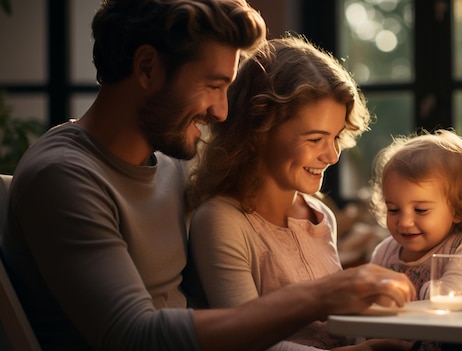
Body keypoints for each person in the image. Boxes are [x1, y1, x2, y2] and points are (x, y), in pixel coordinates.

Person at [0, 1, 416, 350]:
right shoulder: (65, 176)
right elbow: (131, 336)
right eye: (213, 85)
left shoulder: (173, 165)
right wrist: (319, 297)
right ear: (147, 67)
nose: (221, 110)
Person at [183, 35, 413, 351]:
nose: (332, 156)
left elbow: (336, 328)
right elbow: (242, 340)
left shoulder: (322, 218)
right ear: (260, 131)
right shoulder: (222, 221)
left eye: (335, 137)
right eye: (316, 139)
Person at [368, 129, 462, 350]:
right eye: (393, 209)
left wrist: (393, 295)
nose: (404, 222)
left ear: (459, 209)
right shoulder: (385, 251)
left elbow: (455, 294)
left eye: (421, 210)